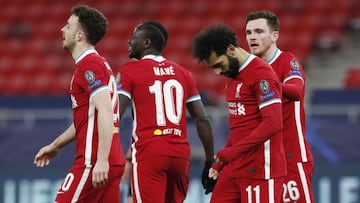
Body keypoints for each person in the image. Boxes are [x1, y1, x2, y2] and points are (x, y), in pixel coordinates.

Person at [33, 5, 125, 203]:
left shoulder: (89, 64)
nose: (62, 30)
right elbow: (87, 119)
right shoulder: (98, 63)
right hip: (112, 160)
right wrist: (55, 145)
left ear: (79, 36)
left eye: (68, 26)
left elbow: (106, 111)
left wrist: (100, 160)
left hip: (93, 161)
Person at [117, 21, 215, 203]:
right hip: (180, 155)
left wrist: (109, 155)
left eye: (134, 37)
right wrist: (210, 161)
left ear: (147, 43)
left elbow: (115, 114)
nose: (129, 41)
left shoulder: (129, 70)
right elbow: (203, 119)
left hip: (150, 152)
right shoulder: (184, 73)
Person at [193, 24, 287, 203]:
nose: (218, 72)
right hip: (235, 168)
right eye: (213, 68)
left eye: (219, 65)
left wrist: (230, 154)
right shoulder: (232, 77)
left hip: (260, 170)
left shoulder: (261, 74)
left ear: (230, 50)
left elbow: (273, 123)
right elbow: (239, 130)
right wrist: (221, 163)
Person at [245, 10, 314, 203]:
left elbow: (297, 91)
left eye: (259, 31)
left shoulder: (287, 61)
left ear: (275, 35)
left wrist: (268, 84)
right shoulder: (249, 70)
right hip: (262, 163)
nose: (252, 37)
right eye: (249, 33)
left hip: (291, 156)